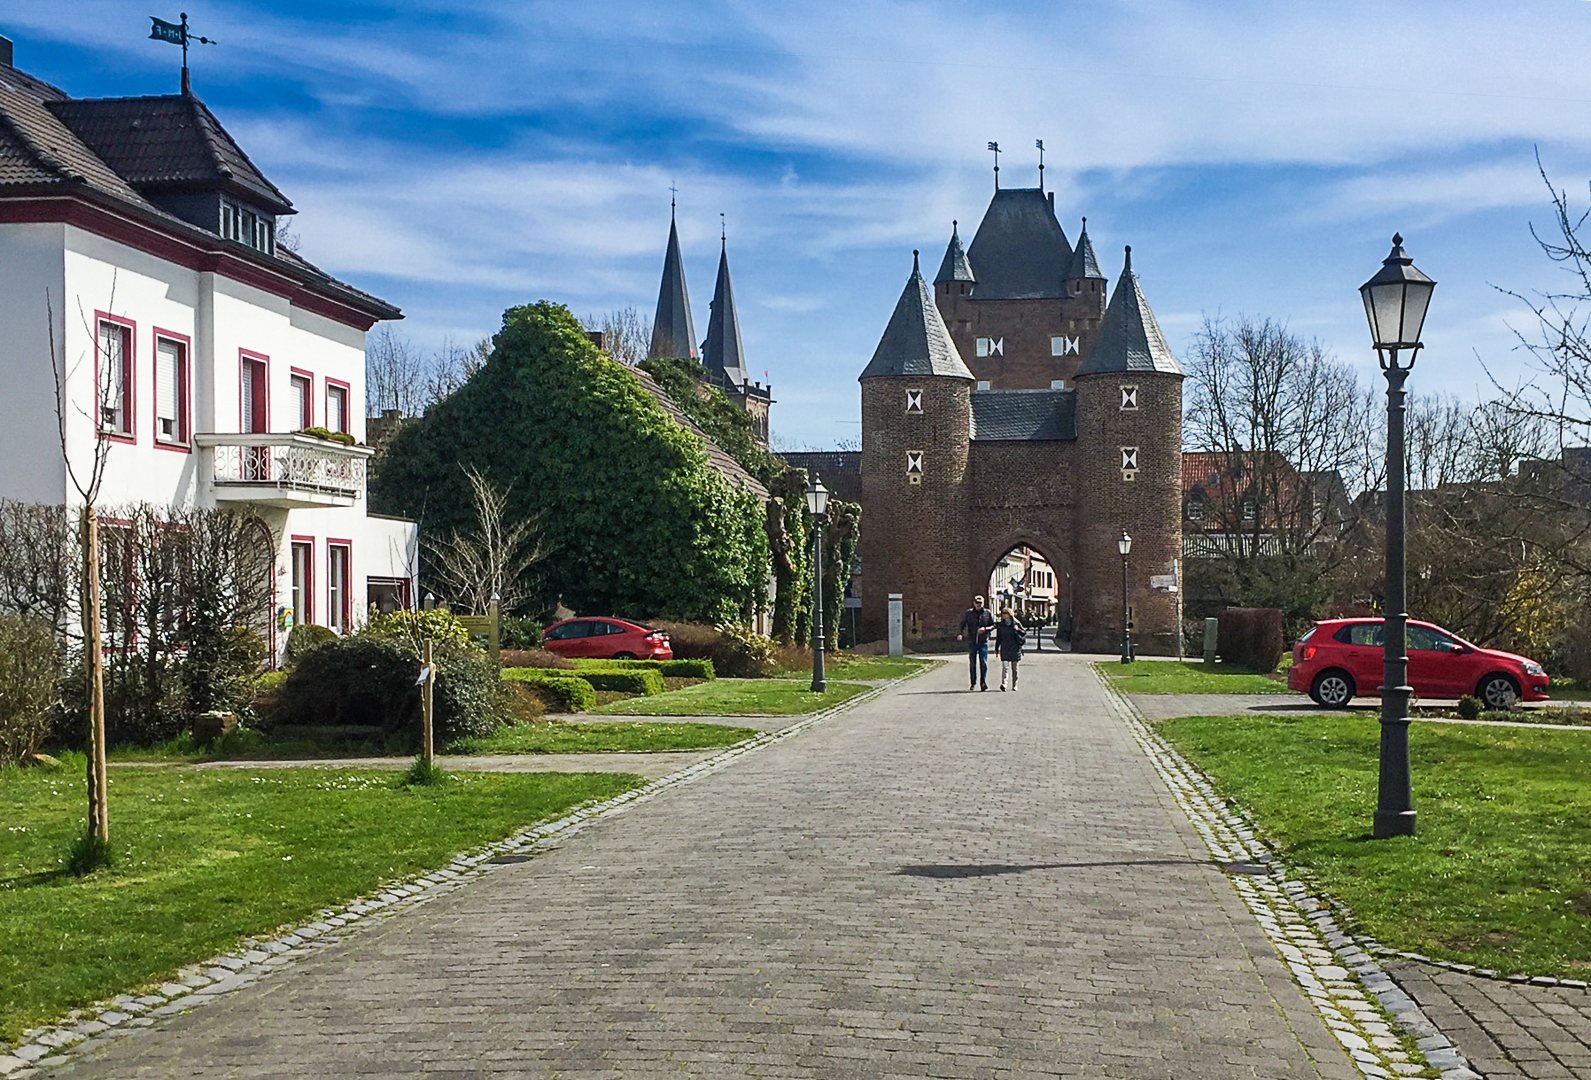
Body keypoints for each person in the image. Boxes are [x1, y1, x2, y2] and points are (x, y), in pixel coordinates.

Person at [957, 595, 994, 690]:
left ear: (983, 603)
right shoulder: (969, 613)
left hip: (983, 641)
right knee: (972, 663)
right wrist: (960, 633)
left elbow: (993, 625)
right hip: (972, 640)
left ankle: (983, 682)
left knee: (983, 663)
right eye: (977, 603)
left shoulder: (987, 613)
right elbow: (962, 624)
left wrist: (985, 629)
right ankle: (973, 682)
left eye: (980, 603)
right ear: (974, 603)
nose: (979, 605)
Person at [994, 607, 1027, 691]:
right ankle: (1004, 684)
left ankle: (1014, 684)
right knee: (1005, 667)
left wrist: (1018, 629)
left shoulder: (1016, 623)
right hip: (1005, 647)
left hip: (1015, 647)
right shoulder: (1001, 625)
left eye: (1005, 613)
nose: (1003, 615)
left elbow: (1023, 633)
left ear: (1009, 614)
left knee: (1014, 668)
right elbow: (999, 637)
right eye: (1002, 613)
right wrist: (996, 648)